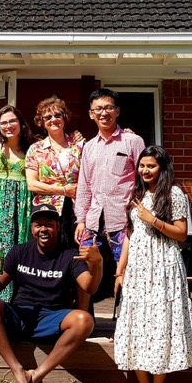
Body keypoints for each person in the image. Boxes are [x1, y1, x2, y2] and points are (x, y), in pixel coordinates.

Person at [0, 204, 103, 383]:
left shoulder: (70, 255)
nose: (43, 229)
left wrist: (97, 264)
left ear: (58, 226)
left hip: (52, 319)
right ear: (32, 229)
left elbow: (90, 286)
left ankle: (35, 376)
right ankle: (18, 371)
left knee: (84, 320)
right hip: (20, 315)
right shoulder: (19, 252)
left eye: (49, 224)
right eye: (38, 225)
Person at [113, 145, 192, 383]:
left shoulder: (174, 193)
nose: (145, 170)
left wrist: (154, 220)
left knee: (160, 324)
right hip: (138, 269)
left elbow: (182, 234)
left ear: (162, 167)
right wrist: (120, 270)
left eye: (151, 166)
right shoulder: (137, 192)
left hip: (163, 267)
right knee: (136, 323)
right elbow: (130, 234)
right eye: (142, 165)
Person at [74, 88, 145, 306]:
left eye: (108, 108)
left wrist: (138, 214)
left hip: (123, 220)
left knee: (127, 272)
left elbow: (143, 179)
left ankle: (127, 324)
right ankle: (84, 319)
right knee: (85, 270)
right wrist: (81, 220)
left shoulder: (132, 141)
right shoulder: (88, 147)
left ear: (117, 111)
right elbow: (84, 185)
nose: (103, 113)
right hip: (94, 221)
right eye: (98, 109)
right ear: (90, 114)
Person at [0, 105, 35, 301]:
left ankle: (18, 302)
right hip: (0, 208)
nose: (8, 125)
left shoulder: (33, 147)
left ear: (20, 123)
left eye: (12, 121)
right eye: (3, 122)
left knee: (21, 250)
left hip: (23, 206)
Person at [26, 95, 85, 253]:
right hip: (47, 210)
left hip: (76, 209)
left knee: (74, 253)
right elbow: (32, 184)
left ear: (64, 118)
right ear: (42, 122)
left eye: (58, 115)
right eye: (48, 117)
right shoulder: (36, 149)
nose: (53, 119)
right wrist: (63, 190)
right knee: (48, 254)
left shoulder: (79, 145)